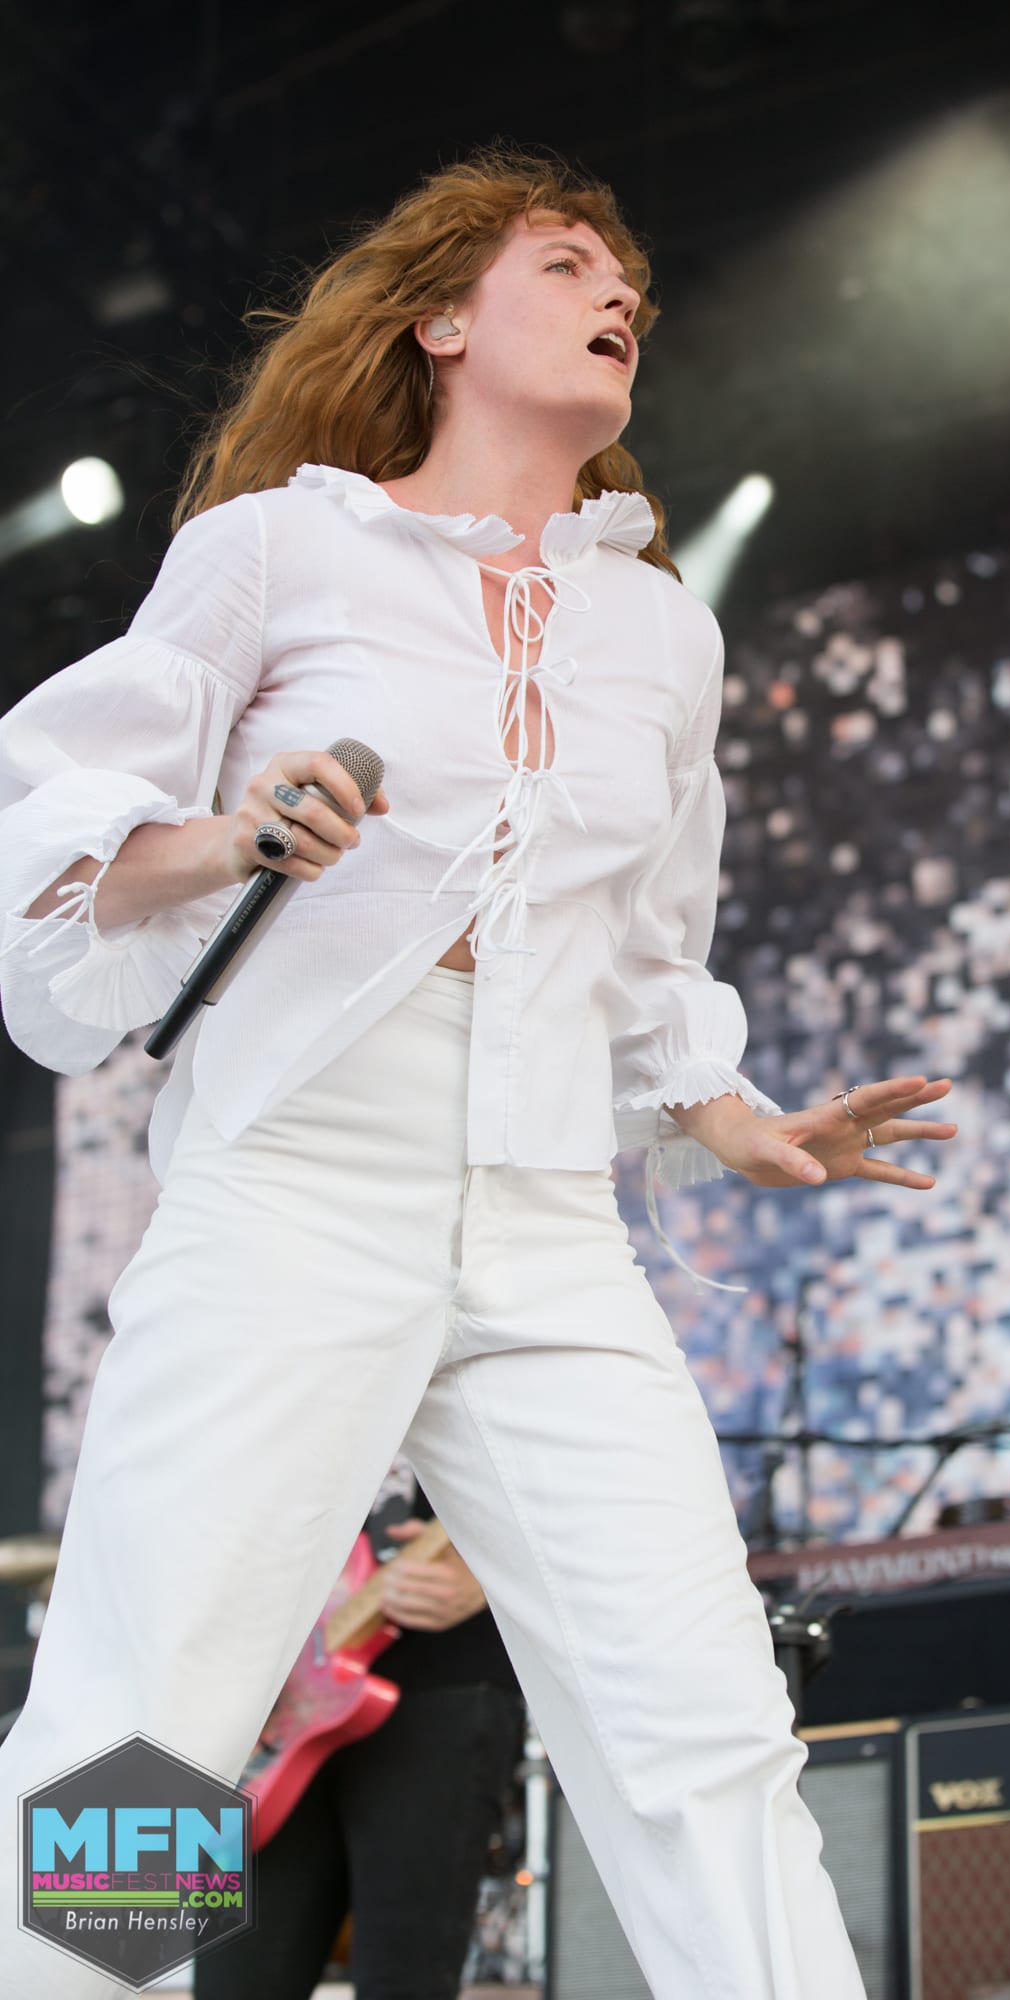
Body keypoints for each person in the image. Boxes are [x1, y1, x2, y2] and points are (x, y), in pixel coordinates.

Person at [0, 144, 956, 1998]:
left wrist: (735, 1122)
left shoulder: (659, 630)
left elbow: (650, 948)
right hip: (299, 1176)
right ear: (440, 319)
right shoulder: (277, 548)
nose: (619, 295)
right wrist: (235, 834)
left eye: (627, 282)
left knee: (701, 1720)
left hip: (543, 1209)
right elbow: (60, 832)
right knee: (152, 1713)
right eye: (566, 262)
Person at [193, 1468, 524, 2000]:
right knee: (233, 1981)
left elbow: (593, 1477)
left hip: (441, 1680)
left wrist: (494, 1570)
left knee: (403, 1980)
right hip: (270, 1697)